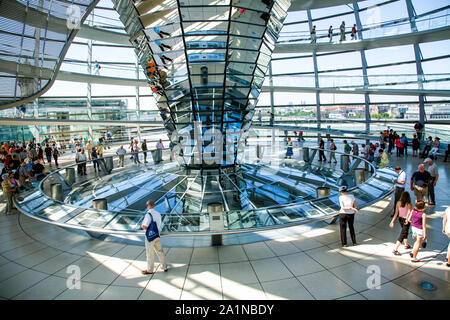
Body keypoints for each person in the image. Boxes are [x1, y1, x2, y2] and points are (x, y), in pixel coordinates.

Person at [141, 200, 168, 275]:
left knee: (150, 253)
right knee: (160, 251)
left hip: (150, 237)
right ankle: (164, 266)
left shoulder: (148, 214)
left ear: (148, 206)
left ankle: (150, 270)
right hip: (157, 234)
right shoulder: (158, 214)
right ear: (154, 205)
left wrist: (142, 226)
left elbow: (145, 226)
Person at [390, 191, 413, 255]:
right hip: (406, 220)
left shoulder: (398, 203)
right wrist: (407, 219)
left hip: (400, 219)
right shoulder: (409, 204)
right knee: (403, 234)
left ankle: (406, 244)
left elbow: (396, 213)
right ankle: (395, 249)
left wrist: (392, 221)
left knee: (405, 231)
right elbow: (409, 212)